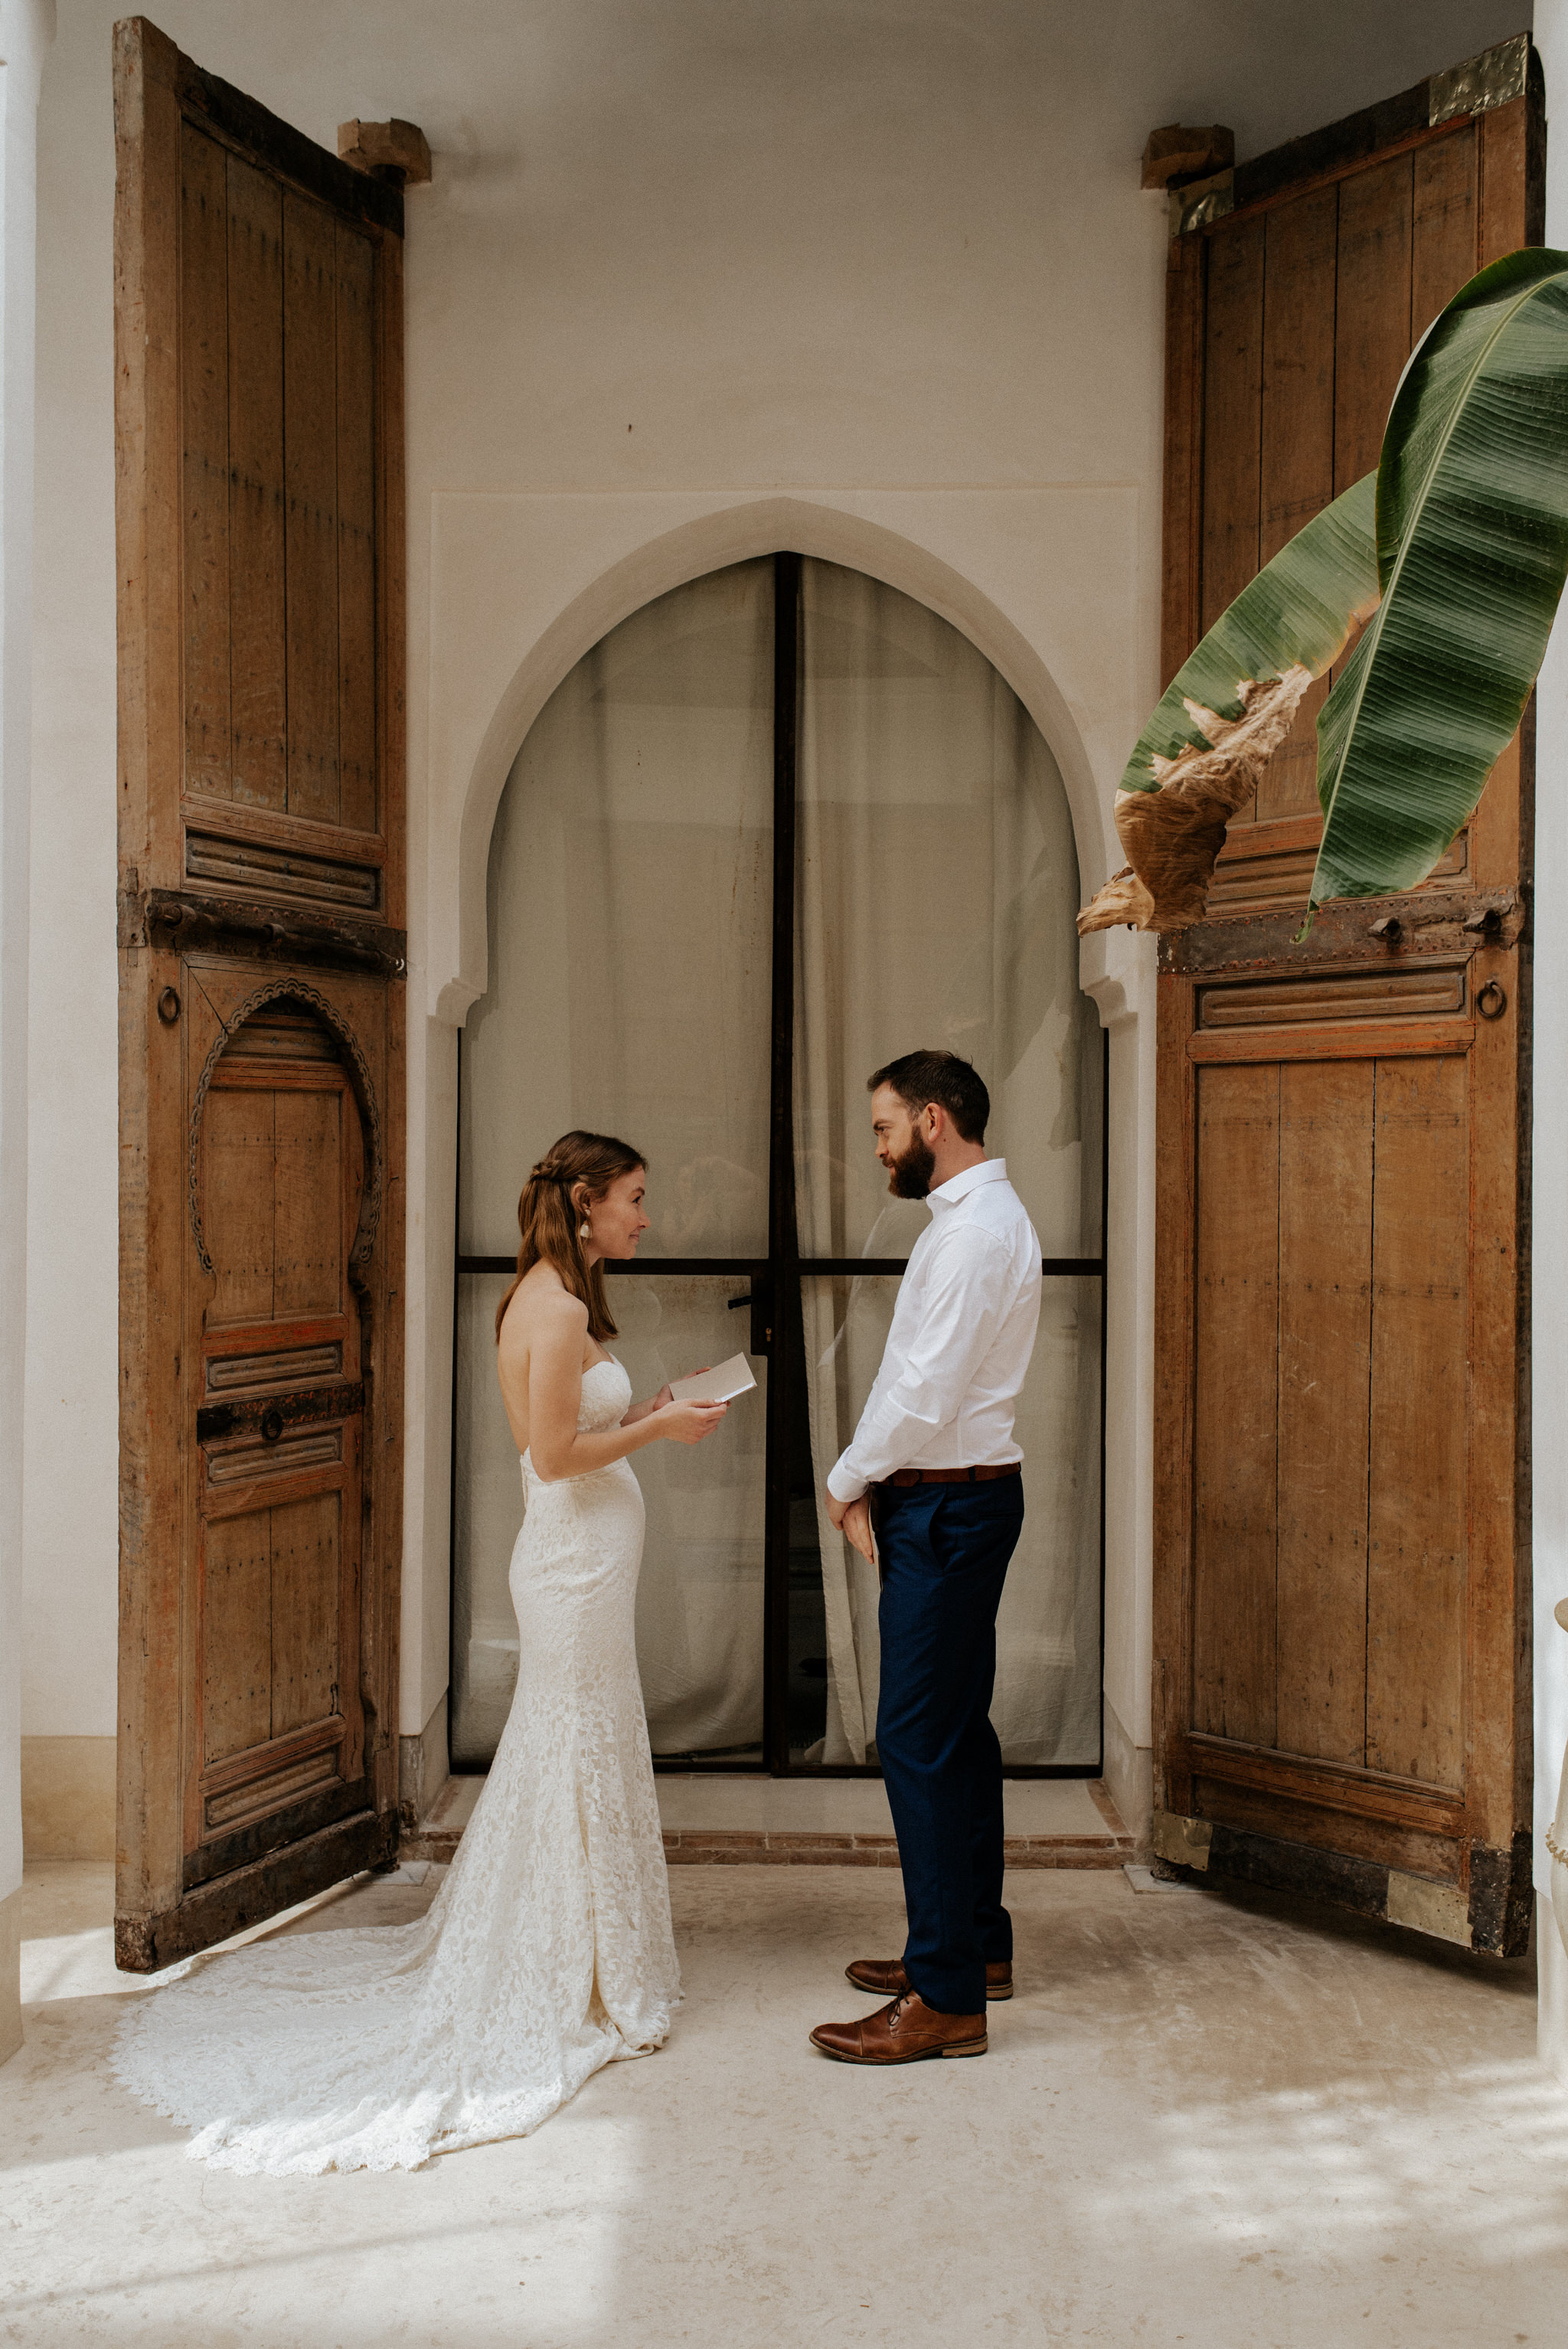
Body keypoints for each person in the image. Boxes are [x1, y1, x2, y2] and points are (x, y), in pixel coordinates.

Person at [113, 1131, 727, 2173]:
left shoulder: (550, 1296)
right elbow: (555, 1453)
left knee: (572, 1744)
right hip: (571, 1573)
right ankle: (561, 1960)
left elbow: (572, 1432)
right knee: (566, 1745)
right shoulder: (559, 1307)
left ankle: (579, 1948)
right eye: (633, 1197)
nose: (645, 1216)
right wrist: (658, 1435)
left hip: (581, 1567)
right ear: (585, 1203)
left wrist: (654, 1407)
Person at [808, 1052, 1041, 2065]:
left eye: (883, 1128)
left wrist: (843, 1479)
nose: (877, 1148)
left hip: (946, 1513)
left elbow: (922, 1396)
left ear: (933, 1121)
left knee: (919, 1742)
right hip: (952, 1504)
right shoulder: (973, 1225)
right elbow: (916, 1379)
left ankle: (945, 1997)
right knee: (955, 1732)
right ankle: (971, 1948)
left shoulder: (974, 1236)